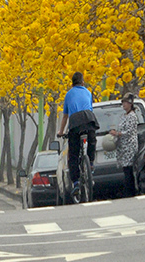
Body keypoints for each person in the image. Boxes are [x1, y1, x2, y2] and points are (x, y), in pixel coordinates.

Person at [57, 71, 97, 201]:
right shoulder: (88, 92)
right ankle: (90, 163)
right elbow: (90, 108)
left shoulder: (69, 95)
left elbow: (65, 116)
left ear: (72, 83)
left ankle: (75, 183)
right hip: (89, 118)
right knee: (92, 140)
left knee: (73, 154)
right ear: (83, 82)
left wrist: (61, 131)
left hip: (75, 122)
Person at [109, 92, 139, 198]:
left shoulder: (132, 116)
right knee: (125, 169)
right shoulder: (123, 116)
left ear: (130, 103)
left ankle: (131, 191)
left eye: (126, 102)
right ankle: (128, 190)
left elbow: (129, 132)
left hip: (129, 146)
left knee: (129, 169)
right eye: (123, 103)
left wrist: (118, 134)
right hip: (122, 147)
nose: (124, 105)